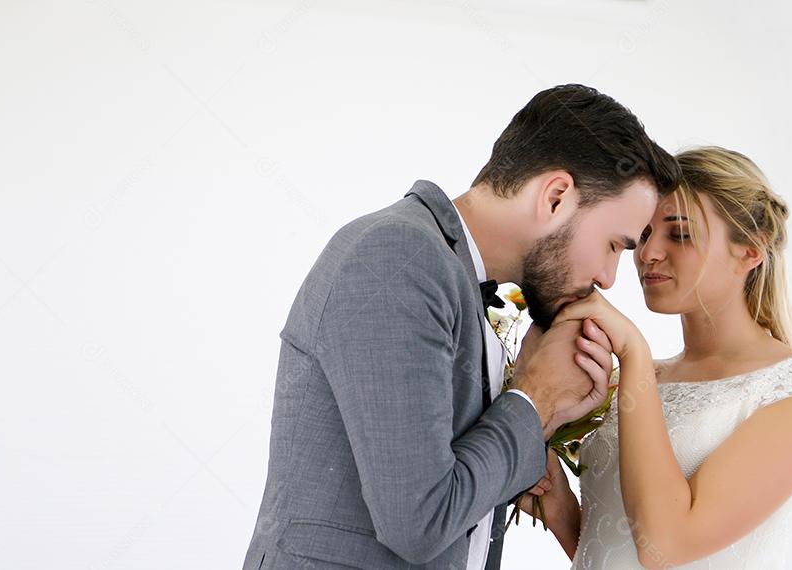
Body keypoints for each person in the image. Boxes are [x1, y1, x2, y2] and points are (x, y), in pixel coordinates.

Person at [242, 84, 681, 569]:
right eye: (614, 245)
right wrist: (537, 400)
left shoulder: (452, 277)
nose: (608, 277)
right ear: (556, 197)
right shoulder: (399, 257)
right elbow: (418, 521)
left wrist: (546, 413)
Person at [525, 146, 792, 569]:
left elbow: (667, 545)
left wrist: (634, 350)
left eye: (679, 234)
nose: (647, 253)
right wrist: (562, 511)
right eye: (644, 234)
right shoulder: (632, 380)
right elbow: (612, 552)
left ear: (750, 250)